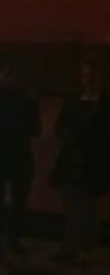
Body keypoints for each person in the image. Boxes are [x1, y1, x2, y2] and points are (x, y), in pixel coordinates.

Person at [50, 57, 110, 263]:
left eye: (92, 76)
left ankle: (86, 250)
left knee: (90, 211)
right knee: (70, 208)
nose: (88, 80)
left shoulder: (106, 104)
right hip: (72, 161)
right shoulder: (73, 100)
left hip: (95, 163)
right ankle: (68, 249)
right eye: (85, 76)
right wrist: (67, 133)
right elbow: (59, 127)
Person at [0, 63, 41, 257]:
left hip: (17, 156)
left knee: (17, 202)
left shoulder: (24, 99)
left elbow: (36, 129)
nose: (9, 78)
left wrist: (33, 105)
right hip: (0, 155)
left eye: (12, 74)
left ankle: (10, 238)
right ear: (0, 75)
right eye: (6, 74)